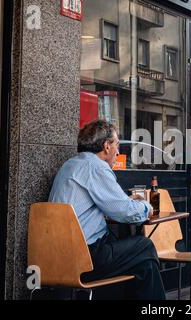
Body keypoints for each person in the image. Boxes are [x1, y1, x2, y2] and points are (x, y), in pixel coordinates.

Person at [49, 119, 166, 300]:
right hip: (84, 259)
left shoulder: (71, 165)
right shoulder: (95, 167)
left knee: (144, 264)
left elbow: (108, 204)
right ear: (106, 146)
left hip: (56, 256)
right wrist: (146, 206)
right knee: (145, 246)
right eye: (117, 145)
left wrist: (125, 203)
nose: (118, 152)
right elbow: (126, 212)